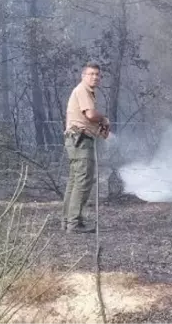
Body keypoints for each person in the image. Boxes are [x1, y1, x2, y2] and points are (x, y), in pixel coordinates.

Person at [62, 62, 110, 233]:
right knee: (82, 182)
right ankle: (73, 224)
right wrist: (103, 119)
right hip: (80, 140)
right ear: (83, 76)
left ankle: (68, 221)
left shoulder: (87, 92)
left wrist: (99, 130)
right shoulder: (83, 90)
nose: (95, 77)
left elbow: (86, 118)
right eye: (91, 74)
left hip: (77, 139)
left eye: (98, 74)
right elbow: (90, 115)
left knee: (75, 182)